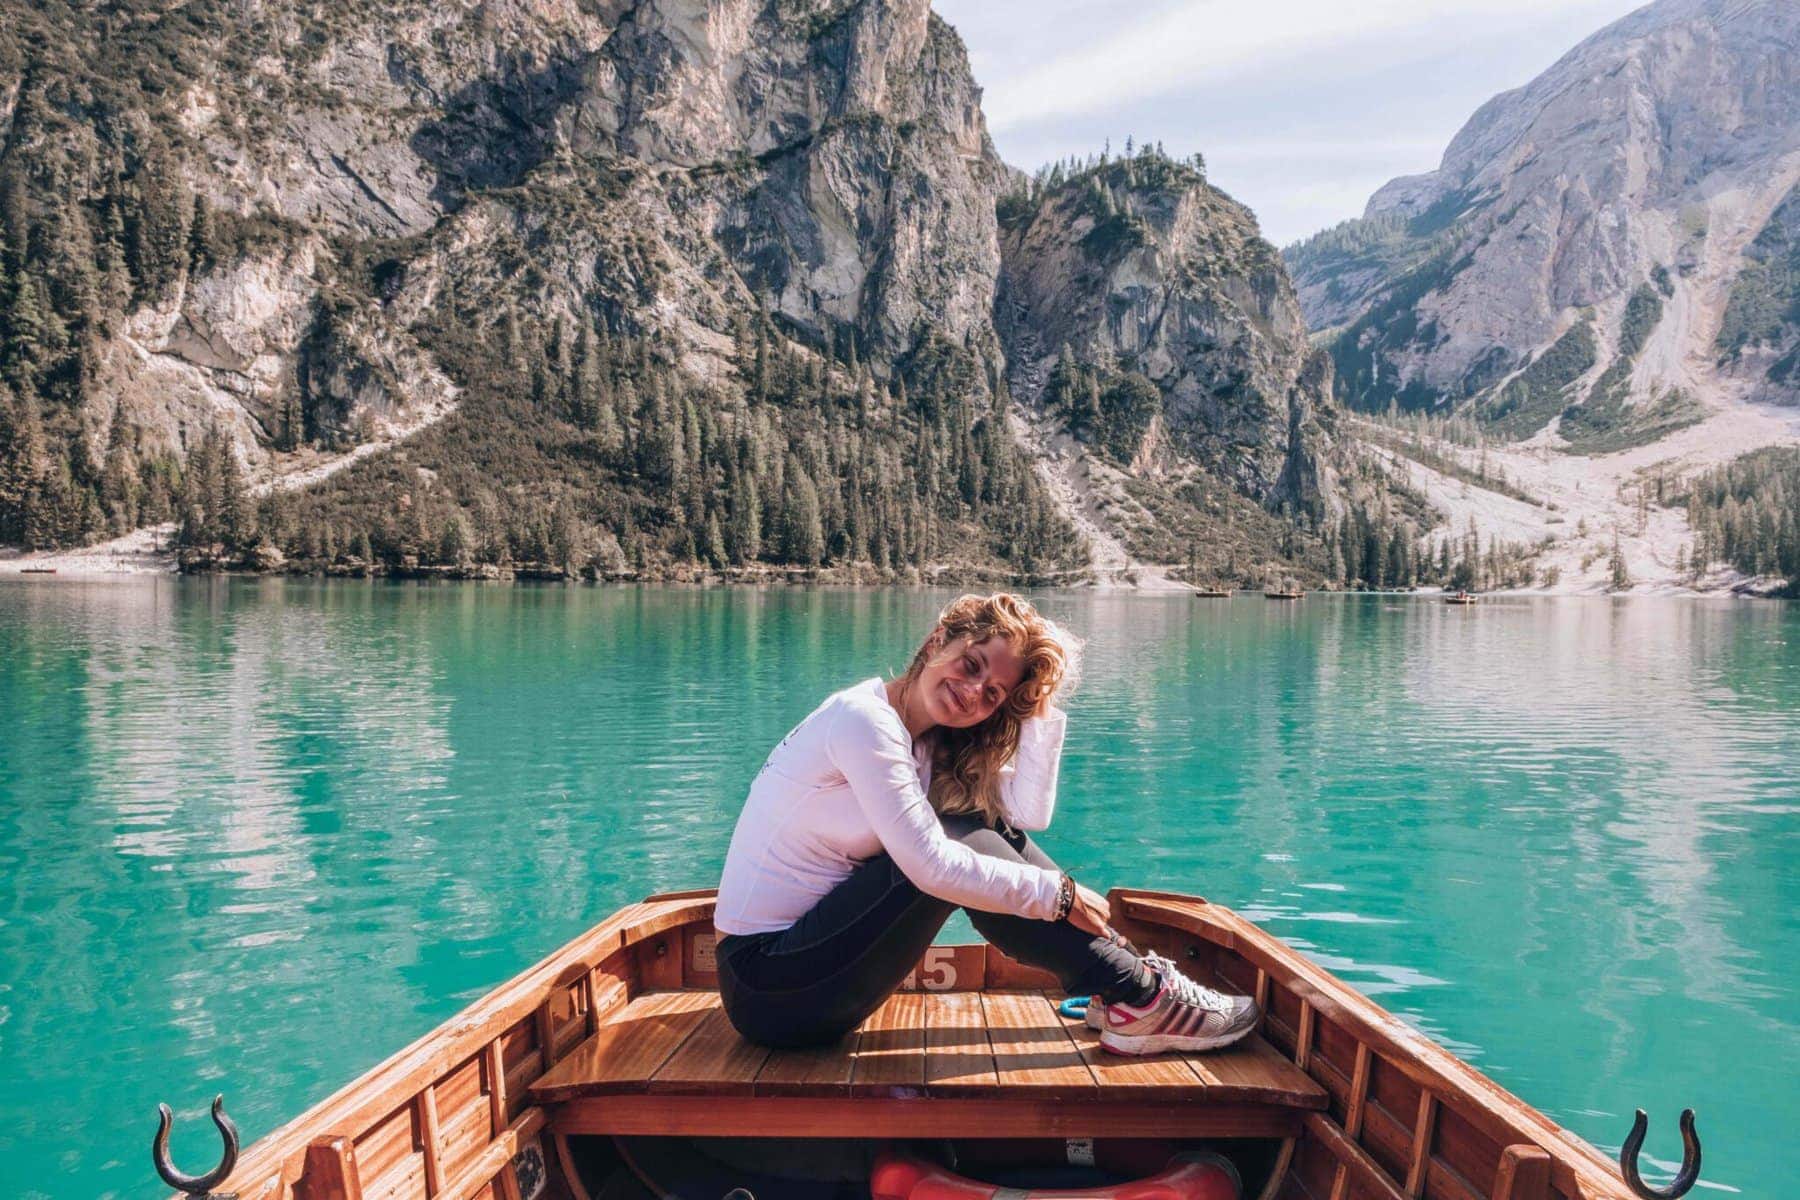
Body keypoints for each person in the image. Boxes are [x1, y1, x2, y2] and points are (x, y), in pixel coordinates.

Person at [713, 592, 1258, 1055]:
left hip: (817, 976)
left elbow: (1023, 817)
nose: (973, 690)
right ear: (937, 640)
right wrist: (1060, 895)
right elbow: (930, 867)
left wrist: (1037, 707)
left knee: (974, 823)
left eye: (992, 694)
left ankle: (1124, 988)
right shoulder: (864, 721)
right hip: (768, 987)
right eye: (971, 664)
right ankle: (1139, 993)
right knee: (942, 847)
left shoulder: (923, 743)